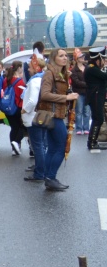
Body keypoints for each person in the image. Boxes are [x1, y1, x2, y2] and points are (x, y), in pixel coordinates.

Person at [38, 49, 79, 191]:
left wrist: (68, 94)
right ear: (54, 58)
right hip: (53, 115)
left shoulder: (62, 73)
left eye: (66, 56)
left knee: (53, 147)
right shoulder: (50, 73)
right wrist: (66, 98)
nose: (65, 58)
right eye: (61, 56)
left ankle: (49, 178)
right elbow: (45, 94)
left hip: (56, 114)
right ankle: (51, 176)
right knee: (62, 147)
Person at [20, 55, 48, 182]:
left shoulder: (34, 81)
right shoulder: (44, 79)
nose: (28, 70)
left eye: (30, 67)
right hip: (42, 115)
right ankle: (40, 168)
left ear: (36, 68)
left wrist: (24, 110)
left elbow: (32, 100)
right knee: (41, 145)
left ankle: (39, 173)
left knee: (37, 146)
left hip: (33, 117)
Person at [2, 62, 27, 156]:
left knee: (13, 127)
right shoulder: (20, 81)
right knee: (23, 127)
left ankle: (14, 149)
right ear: (19, 68)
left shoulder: (6, 80)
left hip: (7, 107)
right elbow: (23, 95)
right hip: (18, 106)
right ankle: (16, 142)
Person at [85, 47, 107, 150]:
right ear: (98, 58)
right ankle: (92, 141)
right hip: (96, 96)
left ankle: (93, 140)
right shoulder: (92, 68)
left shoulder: (93, 68)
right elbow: (105, 76)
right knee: (98, 119)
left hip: (97, 96)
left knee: (97, 118)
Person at [72, 52, 89, 135]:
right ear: (77, 59)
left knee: (87, 111)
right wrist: (87, 84)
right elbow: (76, 82)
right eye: (81, 57)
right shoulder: (74, 70)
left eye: (83, 57)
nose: (83, 58)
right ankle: (79, 128)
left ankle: (86, 128)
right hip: (78, 92)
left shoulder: (87, 68)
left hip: (87, 93)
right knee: (79, 111)